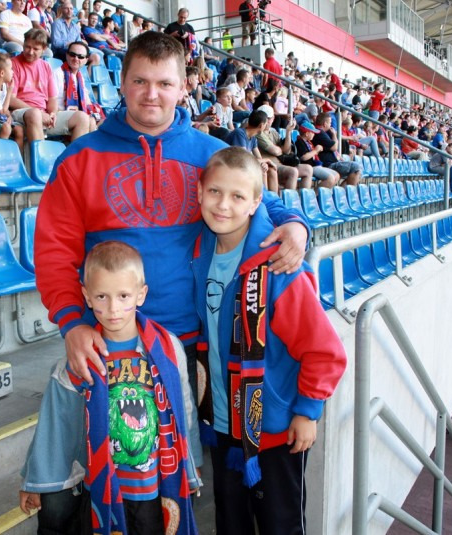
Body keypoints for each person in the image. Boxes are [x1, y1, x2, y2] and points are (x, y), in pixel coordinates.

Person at [34, 30, 310, 393]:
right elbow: (54, 253)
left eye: (164, 83)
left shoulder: (210, 154)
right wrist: (72, 324)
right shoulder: (78, 159)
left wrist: (295, 224)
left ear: (182, 88)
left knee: (190, 433)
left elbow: (260, 200)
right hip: (108, 341)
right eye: (140, 81)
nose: (151, 94)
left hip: (196, 343)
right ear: (122, 83)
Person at [192, 147, 346, 535]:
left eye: (238, 196)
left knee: (282, 526)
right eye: (215, 192)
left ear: (256, 202)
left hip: (275, 431)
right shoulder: (199, 250)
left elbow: (324, 350)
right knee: (231, 524)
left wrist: (307, 411)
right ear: (199, 192)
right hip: (224, 425)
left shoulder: (280, 268)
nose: (223, 205)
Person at [19, 241, 202, 534]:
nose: (113, 308)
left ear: (141, 294)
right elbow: (56, 426)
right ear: (87, 297)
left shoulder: (168, 349)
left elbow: (185, 411)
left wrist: (192, 466)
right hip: (104, 491)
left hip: (154, 489)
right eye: (102, 296)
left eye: (123, 296)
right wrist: (36, 480)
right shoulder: (80, 358)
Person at [8, 28, 91, 142]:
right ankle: (39, 153)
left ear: (44, 49)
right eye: (27, 47)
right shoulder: (13, 64)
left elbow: (52, 99)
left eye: (35, 49)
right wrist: (39, 113)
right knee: (35, 114)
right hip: (22, 112)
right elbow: (11, 99)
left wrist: (52, 113)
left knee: (82, 117)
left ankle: (72, 154)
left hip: (44, 114)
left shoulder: (46, 66)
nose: (30, 52)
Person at [53, 40, 103, 131]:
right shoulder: (57, 74)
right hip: (58, 115)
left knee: (95, 121)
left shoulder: (80, 77)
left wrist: (97, 114)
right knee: (86, 119)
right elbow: (51, 103)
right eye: (72, 55)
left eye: (80, 57)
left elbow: (87, 101)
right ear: (67, 55)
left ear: (86, 60)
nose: (76, 59)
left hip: (76, 116)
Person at [314, 112, 362, 186]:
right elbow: (334, 147)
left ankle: (343, 192)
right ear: (325, 124)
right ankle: (345, 192)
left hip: (332, 162)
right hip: (328, 164)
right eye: (330, 123)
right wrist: (334, 135)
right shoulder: (319, 132)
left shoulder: (324, 132)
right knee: (356, 167)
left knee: (357, 171)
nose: (330, 125)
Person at [294, 120, 337, 188]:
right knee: (330, 178)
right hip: (310, 167)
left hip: (315, 166)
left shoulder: (309, 142)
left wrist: (316, 150)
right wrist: (316, 150)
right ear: (307, 133)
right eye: (312, 132)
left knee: (336, 175)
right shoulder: (299, 142)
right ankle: (315, 193)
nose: (314, 134)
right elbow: (303, 157)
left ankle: (318, 193)